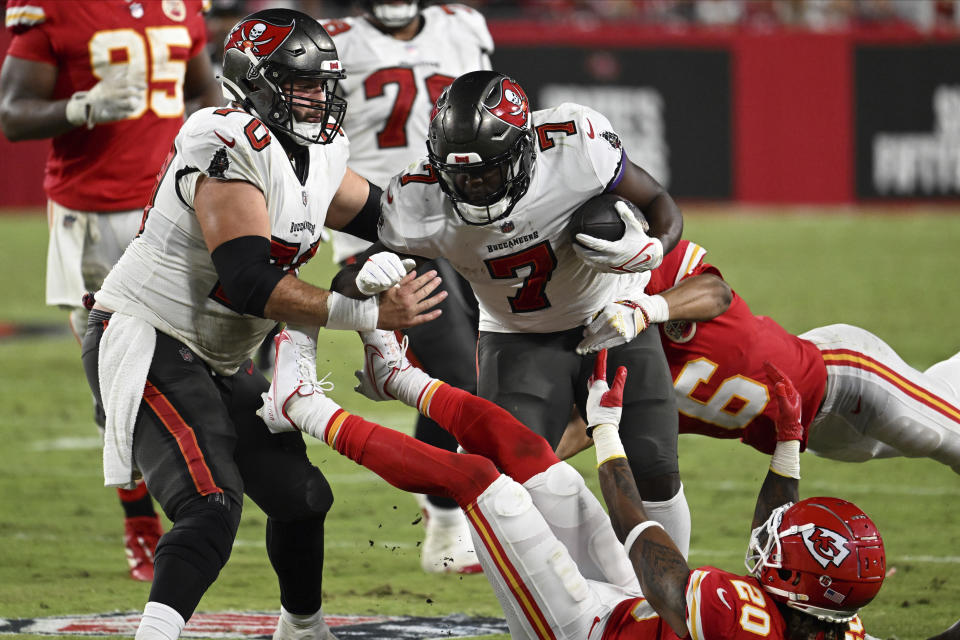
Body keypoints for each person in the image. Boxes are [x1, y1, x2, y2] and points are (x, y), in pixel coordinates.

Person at [79, 9, 446, 640]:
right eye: (299, 84)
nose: (317, 98)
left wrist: (487, 232)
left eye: (323, 84)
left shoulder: (320, 149)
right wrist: (366, 313)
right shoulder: (224, 137)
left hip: (217, 356)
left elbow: (390, 218)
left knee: (303, 498)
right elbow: (250, 281)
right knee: (210, 506)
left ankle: (302, 628)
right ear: (254, 80)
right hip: (150, 337)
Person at [257, 323, 892, 639]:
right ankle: (397, 375)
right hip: (634, 609)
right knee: (529, 452)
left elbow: (646, 544)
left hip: (584, 627)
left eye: (780, 555)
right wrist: (786, 445)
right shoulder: (832, 620)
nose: (766, 544)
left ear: (794, 584)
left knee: (485, 480)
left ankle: (303, 407)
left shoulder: (737, 618)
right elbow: (770, 547)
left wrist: (606, 430)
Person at [333, 69, 693, 556]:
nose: (477, 187)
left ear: (525, 150)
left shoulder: (576, 146)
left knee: (654, 465)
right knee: (502, 490)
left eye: (489, 170)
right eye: (461, 175)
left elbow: (657, 201)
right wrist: (366, 286)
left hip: (612, 315)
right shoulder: (418, 199)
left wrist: (654, 247)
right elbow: (349, 275)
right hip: (517, 335)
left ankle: (667, 614)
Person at [0, 0, 221, 581]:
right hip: (92, 218)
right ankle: (138, 518)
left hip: (172, 207)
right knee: (114, 377)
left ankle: (213, 489)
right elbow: (13, 114)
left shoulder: (181, 7)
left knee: (214, 354)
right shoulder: (51, 9)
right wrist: (80, 107)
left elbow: (204, 92)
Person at [318, 0, 494, 575]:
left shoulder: (461, 25)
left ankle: (451, 510)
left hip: (465, 223)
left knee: (478, 368)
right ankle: (446, 520)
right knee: (457, 372)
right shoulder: (334, 40)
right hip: (381, 229)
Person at [561, 236, 960, 473]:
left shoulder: (644, 277)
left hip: (845, 378)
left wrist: (647, 310)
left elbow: (716, 293)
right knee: (944, 395)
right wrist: (519, 473)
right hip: (815, 437)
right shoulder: (604, 358)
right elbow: (582, 428)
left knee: (945, 436)